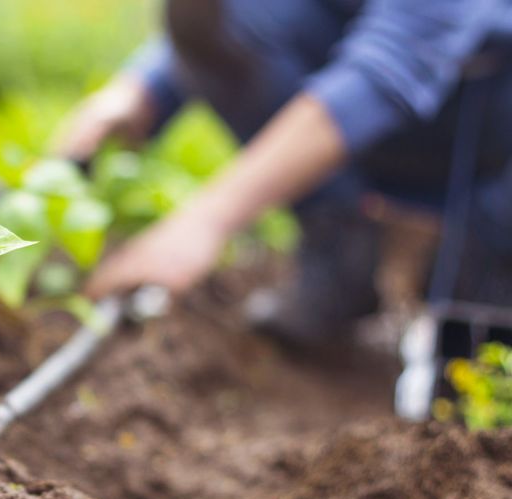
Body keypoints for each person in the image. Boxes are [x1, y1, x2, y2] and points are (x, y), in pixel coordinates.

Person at [61, 0, 512, 347]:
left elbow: (388, 68)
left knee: (475, 340)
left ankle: (486, 252)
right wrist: (142, 89)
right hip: (399, 111)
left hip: (489, 119)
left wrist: (204, 221)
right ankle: (343, 248)